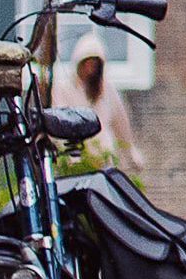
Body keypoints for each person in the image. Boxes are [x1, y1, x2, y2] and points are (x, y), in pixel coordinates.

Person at [44, 39, 139, 176]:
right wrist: (70, 153)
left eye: (94, 64)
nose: (90, 68)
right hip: (76, 160)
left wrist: (130, 152)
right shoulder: (64, 89)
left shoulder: (108, 90)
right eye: (87, 63)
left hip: (104, 158)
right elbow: (60, 122)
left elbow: (121, 122)